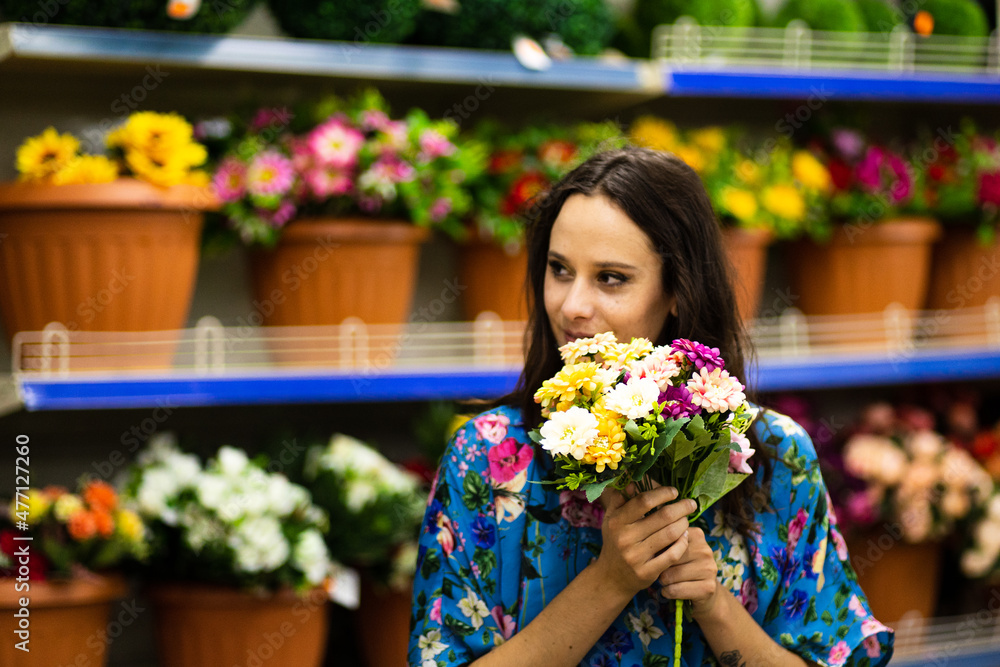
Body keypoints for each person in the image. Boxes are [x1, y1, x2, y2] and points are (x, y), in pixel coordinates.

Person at [408, 146, 894, 666]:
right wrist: (610, 581)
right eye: (559, 269)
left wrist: (713, 604)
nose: (572, 305)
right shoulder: (488, 456)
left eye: (611, 278)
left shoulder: (773, 454)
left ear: (679, 290)